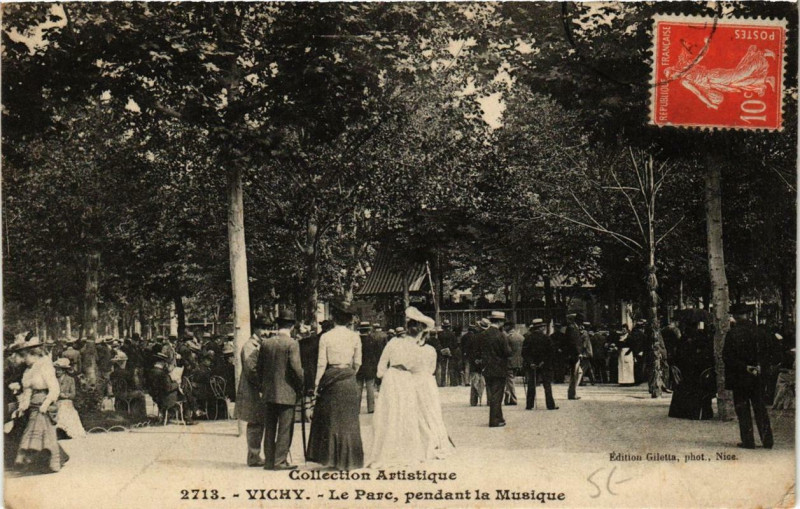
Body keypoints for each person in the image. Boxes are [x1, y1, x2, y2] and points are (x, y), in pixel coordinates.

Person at [307, 301, 364, 470]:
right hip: (348, 379)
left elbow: (321, 363)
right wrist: (349, 373)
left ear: (333, 318)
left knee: (331, 420)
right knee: (349, 420)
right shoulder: (355, 337)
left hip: (330, 378)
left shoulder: (326, 337)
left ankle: (332, 458)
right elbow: (358, 362)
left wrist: (317, 384)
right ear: (348, 320)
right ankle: (349, 459)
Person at [368, 307, 427, 467]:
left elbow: (382, 362)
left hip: (391, 377)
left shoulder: (394, 342)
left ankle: (388, 449)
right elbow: (419, 369)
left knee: (390, 412)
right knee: (406, 412)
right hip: (406, 378)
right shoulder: (417, 348)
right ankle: (405, 450)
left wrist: (382, 375)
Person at [13, 338, 69, 473]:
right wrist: (23, 405)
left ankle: (34, 459)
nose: (23, 360)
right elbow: (28, 389)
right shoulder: (28, 371)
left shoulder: (45, 366)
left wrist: (46, 403)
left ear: (34, 354)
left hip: (44, 403)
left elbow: (54, 388)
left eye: (25, 356)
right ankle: (43, 462)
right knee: (42, 435)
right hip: (33, 405)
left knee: (39, 432)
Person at [257, 310, 303, 470]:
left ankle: (269, 460)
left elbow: (259, 368)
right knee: (285, 427)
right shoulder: (292, 343)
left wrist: (263, 387)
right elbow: (296, 369)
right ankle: (280, 461)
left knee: (269, 427)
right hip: (287, 392)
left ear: (278, 324)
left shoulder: (266, 343)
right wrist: (301, 386)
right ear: (291, 326)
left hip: (269, 392)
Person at [723, 305, 773, 449]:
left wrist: (745, 367)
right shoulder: (760, 332)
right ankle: (767, 440)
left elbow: (727, 357)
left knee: (743, 409)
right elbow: (770, 353)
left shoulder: (732, 334)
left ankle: (748, 441)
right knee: (760, 408)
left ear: (736, 317)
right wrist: (760, 366)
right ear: (748, 315)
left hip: (740, 378)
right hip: (758, 377)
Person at [411, 308, 454, 461]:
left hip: (413, 381)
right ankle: (435, 438)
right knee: (431, 410)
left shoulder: (410, 349)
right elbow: (432, 369)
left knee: (415, 410)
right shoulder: (430, 349)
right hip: (427, 381)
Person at [235, 319, 269, 467]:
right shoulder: (250, 346)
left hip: (257, 389)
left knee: (259, 421)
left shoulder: (260, 344)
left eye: (268, 328)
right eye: (263, 328)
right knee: (255, 422)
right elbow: (251, 370)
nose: (266, 332)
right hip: (252, 389)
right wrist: (263, 385)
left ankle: (255, 455)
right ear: (255, 329)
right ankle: (253, 456)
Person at [668, 323, 715, 420]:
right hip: (697, 373)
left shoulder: (683, 341)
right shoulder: (702, 341)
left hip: (685, 372)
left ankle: (683, 412)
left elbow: (677, 357)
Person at [480, 311, 511, 427]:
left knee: (492, 393)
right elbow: (507, 352)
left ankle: (499, 417)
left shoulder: (483, 334)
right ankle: (494, 420)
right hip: (499, 368)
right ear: (500, 322)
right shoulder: (501, 335)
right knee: (498, 395)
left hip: (487, 368)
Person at [522, 319, 558, 410]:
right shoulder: (546, 338)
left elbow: (524, 353)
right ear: (541, 327)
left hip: (532, 365)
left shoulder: (528, 338)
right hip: (545, 365)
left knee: (532, 384)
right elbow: (551, 352)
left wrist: (531, 363)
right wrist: (543, 362)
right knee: (547, 385)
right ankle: (550, 405)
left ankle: (529, 405)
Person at [53, 358, 86, 438]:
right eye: (56, 370)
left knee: (64, 408)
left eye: (59, 370)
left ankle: (67, 431)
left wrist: (65, 395)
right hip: (56, 401)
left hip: (66, 401)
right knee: (60, 407)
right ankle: (59, 431)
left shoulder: (70, 379)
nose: (57, 372)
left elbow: (73, 394)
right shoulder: (53, 380)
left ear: (64, 371)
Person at [357, 322, 384, 414]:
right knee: (370, 387)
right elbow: (376, 354)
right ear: (369, 330)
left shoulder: (356, 339)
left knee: (358, 387)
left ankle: (356, 407)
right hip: (370, 366)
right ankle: (371, 408)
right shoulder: (373, 340)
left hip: (359, 367)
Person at [462, 322, 485, 405]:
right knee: (482, 381)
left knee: (475, 381)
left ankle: (474, 400)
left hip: (475, 361)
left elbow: (470, 350)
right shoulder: (486, 337)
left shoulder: (473, 337)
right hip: (484, 362)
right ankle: (484, 399)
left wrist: (474, 359)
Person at [503, 322, 524, 406]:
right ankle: (508, 395)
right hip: (518, 362)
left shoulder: (507, 338)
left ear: (508, 327)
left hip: (509, 362)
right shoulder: (521, 337)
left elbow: (506, 351)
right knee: (511, 380)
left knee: (510, 380)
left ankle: (513, 397)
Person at [565, 314, 583, 400]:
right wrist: (578, 352)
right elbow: (573, 342)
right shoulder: (572, 328)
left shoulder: (573, 327)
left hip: (573, 354)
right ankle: (572, 393)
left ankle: (572, 392)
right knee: (574, 374)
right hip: (574, 355)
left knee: (576, 373)